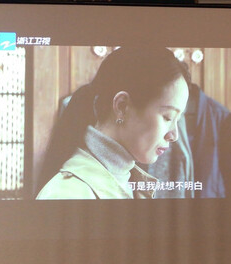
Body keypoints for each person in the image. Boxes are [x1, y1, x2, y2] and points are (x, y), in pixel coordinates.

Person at [36, 47, 190, 199]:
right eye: (168, 117)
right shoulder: (66, 194)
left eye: (178, 119)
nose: (174, 135)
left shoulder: (130, 182)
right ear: (122, 106)